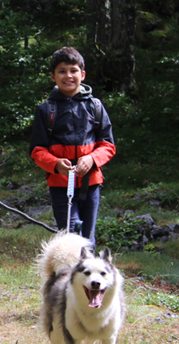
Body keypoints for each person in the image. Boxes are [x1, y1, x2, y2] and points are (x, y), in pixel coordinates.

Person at [29, 46, 116, 246]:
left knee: (88, 240)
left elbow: (108, 145)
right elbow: (37, 150)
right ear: (53, 76)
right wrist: (56, 163)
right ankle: (68, 275)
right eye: (62, 71)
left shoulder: (95, 106)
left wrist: (92, 158)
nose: (68, 76)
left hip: (91, 184)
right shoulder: (46, 110)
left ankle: (86, 276)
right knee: (71, 237)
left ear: (82, 74)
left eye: (73, 71)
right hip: (61, 185)